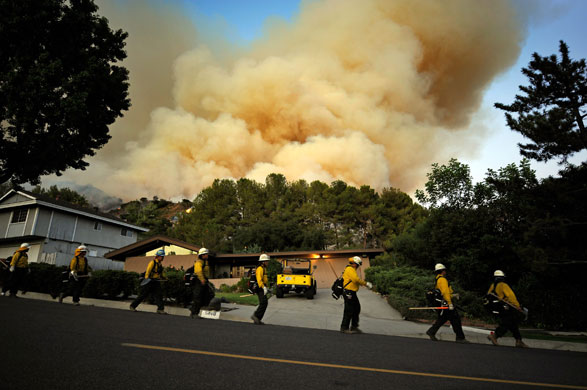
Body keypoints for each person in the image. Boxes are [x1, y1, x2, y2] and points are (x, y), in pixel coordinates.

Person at [425, 263, 469, 343]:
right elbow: (445, 292)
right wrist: (450, 303)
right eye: (444, 270)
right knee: (455, 319)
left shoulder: (438, 279)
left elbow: (444, 293)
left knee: (442, 319)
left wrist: (454, 295)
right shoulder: (443, 280)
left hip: (442, 303)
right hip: (445, 303)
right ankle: (460, 338)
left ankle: (431, 332)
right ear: (442, 271)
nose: (445, 271)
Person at [487, 270, 529, 348]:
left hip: (497, 308)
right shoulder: (504, 285)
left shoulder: (493, 286)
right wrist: (517, 306)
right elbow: (511, 296)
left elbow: (489, 295)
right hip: (506, 307)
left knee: (513, 323)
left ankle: (518, 340)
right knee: (507, 323)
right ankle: (494, 336)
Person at [340, 256, 372, 334]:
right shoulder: (350, 269)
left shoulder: (351, 269)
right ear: (354, 264)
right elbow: (355, 279)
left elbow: (354, 280)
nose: (358, 266)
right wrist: (366, 283)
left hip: (352, 292)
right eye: (358, 265)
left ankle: (354, 326)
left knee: (356, 308)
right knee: (349, 310)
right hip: (348, 292)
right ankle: (344, 328)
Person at [130, 249, 167, 314]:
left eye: (163, 256)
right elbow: (148, 271)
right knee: (143, 295)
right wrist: (147, 280)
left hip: (156, 281)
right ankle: (132, 306)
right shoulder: (152, 262)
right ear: (158, 256)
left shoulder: (160, 264)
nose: (163, 258)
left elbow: (161, 273)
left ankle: (160, 309)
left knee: (159, 295)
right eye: (162, 256)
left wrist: (165, 277)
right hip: (149, 281)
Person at [189, 248, 212, 318]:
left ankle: (194, 311)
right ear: (202, 255)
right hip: (199, 281)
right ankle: (194, 313)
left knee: (204, 297)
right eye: (206, 254)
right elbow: (198, 272)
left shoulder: (205, 262)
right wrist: (202, 279)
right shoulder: (199, 263)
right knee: (197, 297)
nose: (207, 255)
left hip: (204, 281)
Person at [251, 254, 270, 325]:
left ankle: (257, 318)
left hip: (262, 287)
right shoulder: (260, 269)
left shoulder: (264, 269)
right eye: (266, 261)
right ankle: (256, 316)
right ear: (263, 262)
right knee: (263, 302)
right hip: (260, 288)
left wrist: (266, 287)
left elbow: (264, 279)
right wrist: (263, 287)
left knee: (264, 302)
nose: (267, 262)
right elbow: (259, 279)